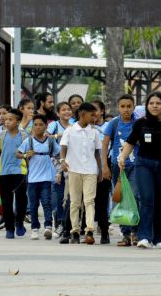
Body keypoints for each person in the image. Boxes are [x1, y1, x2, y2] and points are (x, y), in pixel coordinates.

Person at [118, 91, 161, 249]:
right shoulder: (140, 123)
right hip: (143, 164)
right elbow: (130, 142)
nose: (154, 106)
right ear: (146, 106)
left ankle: (160, 238)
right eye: (151, 103)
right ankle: (144, 237)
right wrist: (122, 157)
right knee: (147, 200)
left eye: (158, 103)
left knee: (160, 202)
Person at [60, 102, 103, 244]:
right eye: (92, 115)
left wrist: (100, 170)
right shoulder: (70, 131)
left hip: (90, 170)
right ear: (82, 114)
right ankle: (75, 231)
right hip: (73, 169)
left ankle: (89, 230)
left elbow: (97, 153)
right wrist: (62, 161)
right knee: (75, 202)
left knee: (89, 201)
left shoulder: (95, 132)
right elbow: (64, 147)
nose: (94, 118)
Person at [102, 94, 139, 247]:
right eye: (122, 106)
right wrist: (104, 166)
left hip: (136, 166)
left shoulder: (139, 123)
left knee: (135, 197)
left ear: (134, 107)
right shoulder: (113, 123)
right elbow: (104, 145)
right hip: (117, 167)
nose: (125, 109)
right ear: (118, 107)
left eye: (129, 106)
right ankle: (125, 234)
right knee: (121, 198)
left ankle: (136, 232)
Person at [19, 114, 61, 240]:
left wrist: (59, 170)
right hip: (32, 178)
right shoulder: (29, 141)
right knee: (33, 204)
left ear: (46, 126)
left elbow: (58, 154)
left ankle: (48, 226)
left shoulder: (50, 141)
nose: (38, 127)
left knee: (46, 202)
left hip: (47, 177)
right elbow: (18, 154)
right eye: (35, 125)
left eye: (41, 124)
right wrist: (26, 154)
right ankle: (35, 228)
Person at [0, 106, 28, 239]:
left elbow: (29, 153)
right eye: (6, 119)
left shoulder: (24, 136)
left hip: (20, 171)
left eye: (10, 119)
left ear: (18, 122)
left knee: (21, 199)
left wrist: (26, 158)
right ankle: (9, 228)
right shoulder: (0, 136)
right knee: (6, 201)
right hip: (4, 172)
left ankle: (19, 222)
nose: (7, 122)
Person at [48, 101, 73, 238]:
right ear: (58, 113)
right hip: (57, 162)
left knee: (69, 196)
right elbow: (46, 136)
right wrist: (60, 135)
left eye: (68, 109)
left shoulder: (75, 124)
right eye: (63, 110)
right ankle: (58, 222)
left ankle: (66, 223)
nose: (67, 112)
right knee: (58, 194)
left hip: (71, 162)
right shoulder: (54, 125)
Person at [91, 100, 111, 244]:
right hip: (87, 166)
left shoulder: (109, 126)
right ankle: (87, 229)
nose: (93, 114)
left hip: (104, 165)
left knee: (102, 200)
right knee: (87, 200)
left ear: (102, 111)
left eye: (96, 110)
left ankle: (104, 231)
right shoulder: (82, 127)